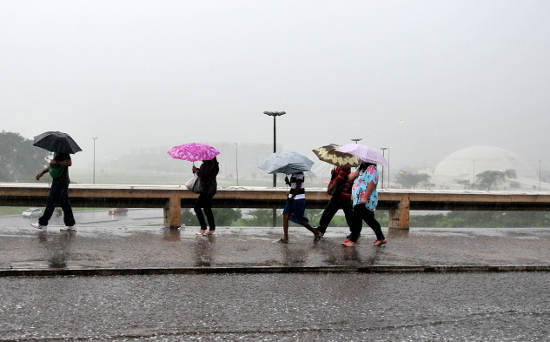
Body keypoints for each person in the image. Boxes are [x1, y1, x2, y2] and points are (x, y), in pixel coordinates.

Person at [341, 161, 387, 247]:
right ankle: (381, 238)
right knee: (370, 219)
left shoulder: (372, 169)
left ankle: (353, 240)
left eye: (362, 158)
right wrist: (355, 174)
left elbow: (372, 183)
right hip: (358, 199)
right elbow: (350, 178)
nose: (360, 159)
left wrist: (365, 197)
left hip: (365, 199)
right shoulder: (360, 168)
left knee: (357, 219)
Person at [32, 152, 76, 231]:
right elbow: (52, 166)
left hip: (61, 181)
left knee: (51, 201)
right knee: (65, 203)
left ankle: (42, 223)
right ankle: (70, 225)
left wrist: (57, 162)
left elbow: (69, 163)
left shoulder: (63, 151)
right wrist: (42, 173)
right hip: (59, 181)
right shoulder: (57, 152)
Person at [280, 171, 321, 243]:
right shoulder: (293, 173)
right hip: (291, 198)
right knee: (285, 215)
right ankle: (285, 238)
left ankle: (316, 233)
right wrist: (288, 182)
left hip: (298, 199)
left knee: (300, 220)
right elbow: (293, 186)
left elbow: (298, 187)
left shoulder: (300, 174)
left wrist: (292, 197)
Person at [316, 165, 354, 238]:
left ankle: (321, 230)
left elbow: (339, 179)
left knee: (329, 212)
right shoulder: (340, 166)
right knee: (348, 214)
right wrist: (333, 174)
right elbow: (337, 178)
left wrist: (330, 187)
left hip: (341, 193)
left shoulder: (344, 165)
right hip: (342, 194)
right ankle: (355, 232)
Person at [192, 157, 219, 235]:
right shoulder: (212, 165)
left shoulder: (209, 165)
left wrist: (196, 170)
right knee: (207, 208)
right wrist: (196, 169)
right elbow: (204, 174)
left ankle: (204, 227)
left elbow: (204, 175)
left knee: (197, 207)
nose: (202, 158)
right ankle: (211, 228)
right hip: (209, 189)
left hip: (207, 189)